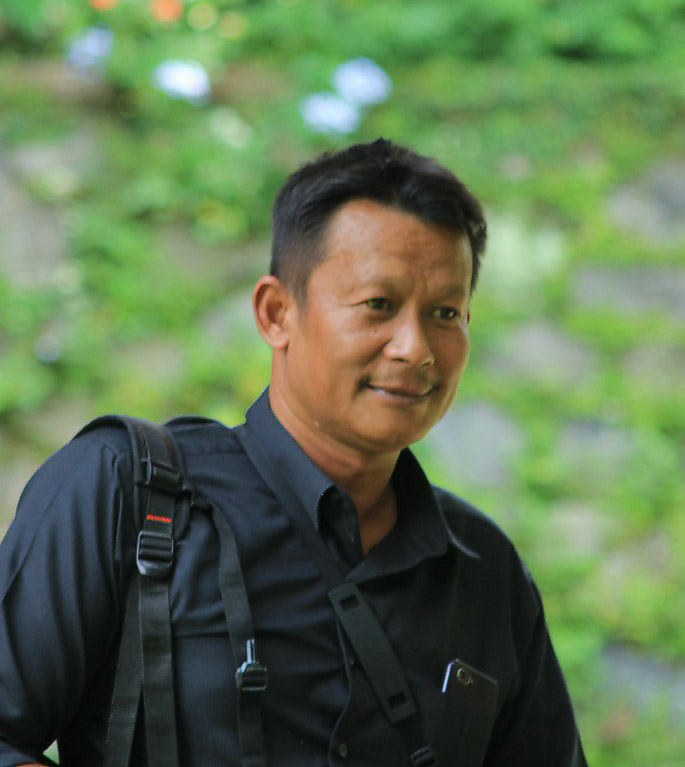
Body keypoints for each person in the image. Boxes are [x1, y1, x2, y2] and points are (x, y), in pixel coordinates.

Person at [0, 138, 586, 766]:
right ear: (277, 312)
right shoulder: (128, 491)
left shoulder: (486, 572)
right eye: (379, 305)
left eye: (446, 312)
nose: (415, 348)